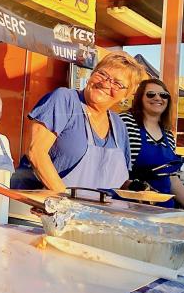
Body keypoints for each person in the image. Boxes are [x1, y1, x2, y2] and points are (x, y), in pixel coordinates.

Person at [12, 52, 145, 192]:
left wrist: (135, 188)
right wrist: (66, 203)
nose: (105, 83)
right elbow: (36, 152)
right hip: (37, 208)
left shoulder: (119, 126)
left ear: (126, 95)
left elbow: (114, 180)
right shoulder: (64, 99)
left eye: (117, 83)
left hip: (90, 211)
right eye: (102, 74)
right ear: (91, 74)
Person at [120, 79, 184, 210]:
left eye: (163, 95)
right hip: (130, 208)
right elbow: (112, 167)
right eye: (150, 94)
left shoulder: (168, 134)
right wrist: (132, 181)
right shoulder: (126, 122)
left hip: (164, 211)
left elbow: (171, 178)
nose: (158, 98)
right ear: (140, 98)